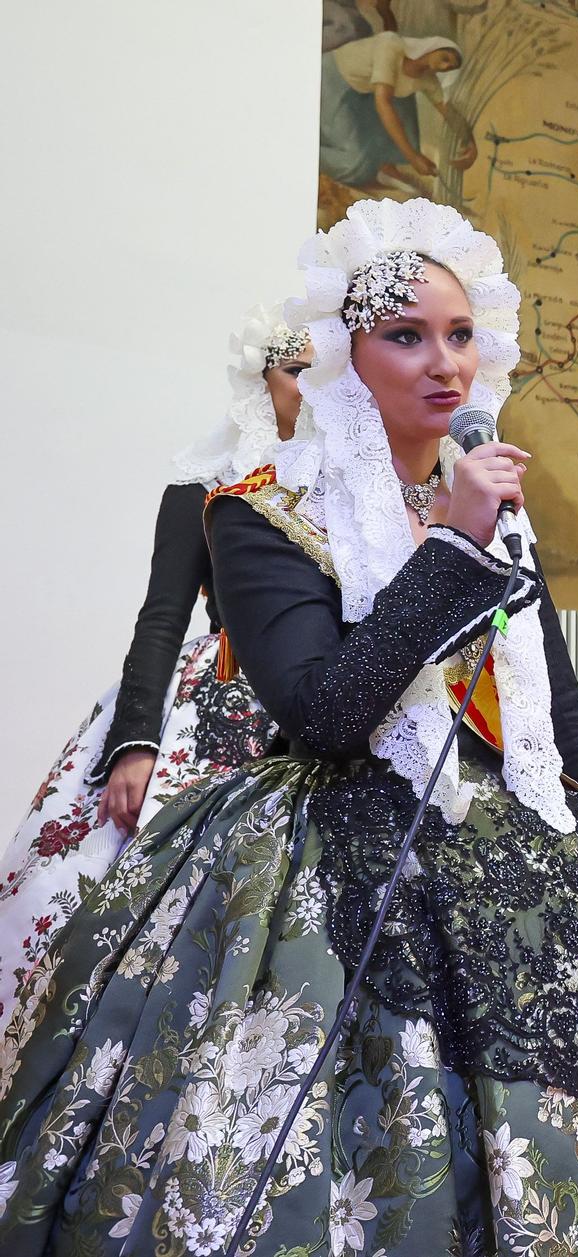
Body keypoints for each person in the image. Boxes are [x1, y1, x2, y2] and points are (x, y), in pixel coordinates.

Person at [0, 199, 578, 1254]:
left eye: (459, 334)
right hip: (336, 848)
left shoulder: (484, 494)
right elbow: (327, 715)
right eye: (406, 337)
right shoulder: (257, 512)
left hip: (517, 831)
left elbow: (554, 704)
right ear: (347, 355)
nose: (445, 365)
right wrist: (452, 547)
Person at [0, 306, 304, 1026]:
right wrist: (135, 740)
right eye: (297, 370)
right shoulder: (206, 482)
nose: (311, 387)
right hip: (219, 703)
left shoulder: (353, 487)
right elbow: (162, 616)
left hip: (315, 707)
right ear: (262, 379)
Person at [320, 30, 473, 193]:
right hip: (332, 80)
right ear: (433, 48)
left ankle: (389, 167)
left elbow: (448, 111)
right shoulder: (391, 45)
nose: (444, 66)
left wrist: (470, 141)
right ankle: (305, 149)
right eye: (445, 58)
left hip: (362, 95)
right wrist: (413, 157)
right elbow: (383, 103)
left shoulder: (427, 80)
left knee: (403, 99)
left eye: (449, 67)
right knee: (353, 164)